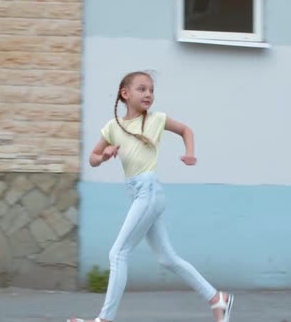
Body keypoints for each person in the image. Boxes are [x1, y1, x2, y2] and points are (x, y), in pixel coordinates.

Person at [68, 71, 234, 322]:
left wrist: (190, 153)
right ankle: (216, 298)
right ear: (125, 94)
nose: (148, 94)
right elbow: (92, 158)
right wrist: (104, 156)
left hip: (149, 190)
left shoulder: (156, 119)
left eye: (151, 90)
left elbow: (185, 130)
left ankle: (105, 320)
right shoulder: (113, 127)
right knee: (167, 258)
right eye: (142, 89)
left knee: (118, 254)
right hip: (138, 194)